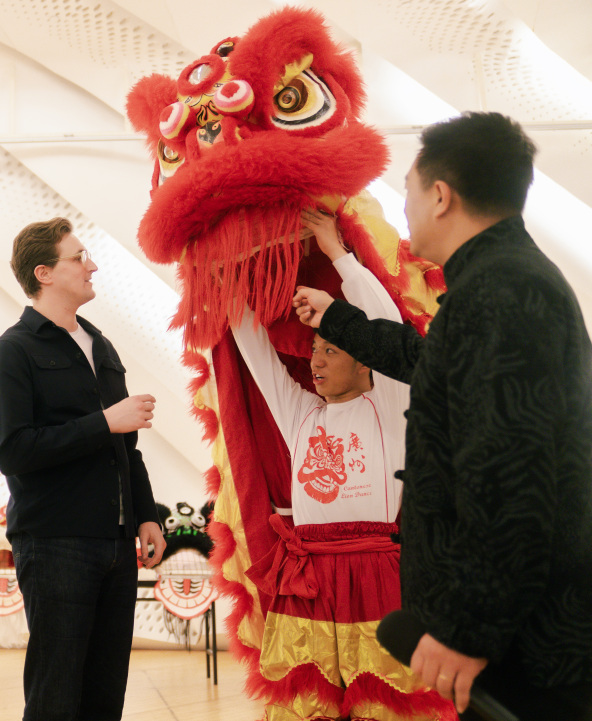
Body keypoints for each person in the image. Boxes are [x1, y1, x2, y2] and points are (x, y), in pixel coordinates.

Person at [293, 112, 592, 719]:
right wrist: (336, 318)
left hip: (525, 644)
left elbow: (511, 476)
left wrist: (468, 629)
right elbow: (427, 361)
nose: (403, 209)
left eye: (406, 190)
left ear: (440, 194)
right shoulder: (498, 283)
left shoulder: (504, 292)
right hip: (517, 631)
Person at [236, 209, 450, 721]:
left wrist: (337, 253)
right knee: (308, 707)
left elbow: (385, 325)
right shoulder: (302, 415)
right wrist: (224, 276)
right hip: (308, 577)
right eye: (314, 349)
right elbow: (256, 354)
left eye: (331, 349)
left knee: (384, 704)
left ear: (364, 358)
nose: (316, 361)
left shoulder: (391, 405)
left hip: (376, 572)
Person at [0, 217, 167, 721]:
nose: (93, 265)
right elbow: (14, 451)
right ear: (43, 273)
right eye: (79, 256)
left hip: (117, 544)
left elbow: (126, 447)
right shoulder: (14, 350)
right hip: (54, 543)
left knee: (105, 697)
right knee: (56, 698)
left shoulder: (100, 345)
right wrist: (105, 421)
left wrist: (146, 514)